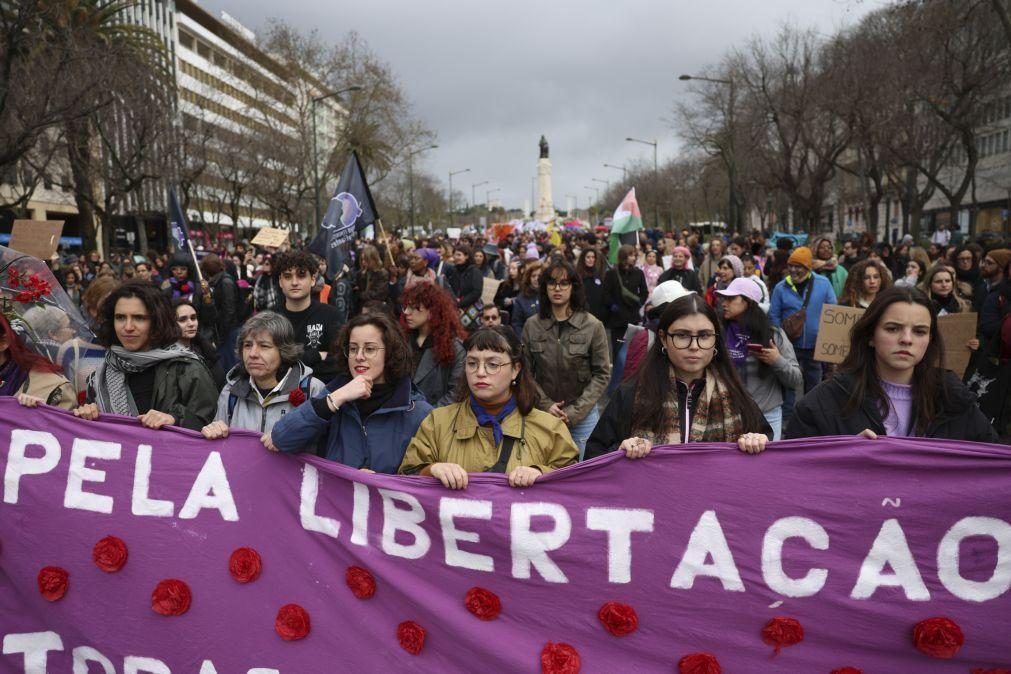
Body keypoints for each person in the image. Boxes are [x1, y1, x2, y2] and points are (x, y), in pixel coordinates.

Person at [786, 286, 996, 442]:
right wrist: (842, 455)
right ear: (870, 335)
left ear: (930, 339)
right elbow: (795, 469)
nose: (907, 339)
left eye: (919, 331)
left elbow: (991, 464)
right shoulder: (823, 402)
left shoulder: (954, 399)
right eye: (893, 328)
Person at [586, 294, 771, 460]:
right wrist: (620, 451)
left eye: (704, 335)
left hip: (714, 496)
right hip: (648, 497)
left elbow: (766, 446)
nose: (694, 345)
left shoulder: (735, 394)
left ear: (716, 339)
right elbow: (594, 455)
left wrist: (758, 442)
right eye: (682, 335)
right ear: (664, 338)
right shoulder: (632, 392)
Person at [399, 326, 578, 489]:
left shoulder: (550, 429)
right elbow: (406, 477)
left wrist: (542, 473)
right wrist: (433, 470)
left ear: (516, 369)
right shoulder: (437, 422)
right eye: (472, 363)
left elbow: (576, 486)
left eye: (493, 364)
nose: (480, 372)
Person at [264, 312, 432, 472]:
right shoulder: (334, 395)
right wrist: (337, 398)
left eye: (369, 349)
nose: (359, 356)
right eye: (353, 349)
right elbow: (281, 439)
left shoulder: (417, 411)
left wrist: (380, 483)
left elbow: (420, 479)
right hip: (335, 500)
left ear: (390, 353)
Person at [74, 281, 218, 430]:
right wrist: (88, 417)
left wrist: (175, 419)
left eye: (139, 318)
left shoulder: (188, 370)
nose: (128, 327)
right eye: (120, 317)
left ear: (157, 321)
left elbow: (211, 427)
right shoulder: (100, 376)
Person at [522, 259, 611, 455]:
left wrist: (575, 412)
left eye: (564, 283)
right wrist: (546, 404)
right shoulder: (532, 325)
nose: (557, 288)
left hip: (583, 414)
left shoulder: (592, 325)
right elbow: (525, 371)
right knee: (543, 470)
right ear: (544, 287)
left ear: (573, 287)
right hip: (542, 411)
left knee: (583, 472)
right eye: (552, 283)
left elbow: (602, 373)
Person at [201, 312, 326, 439]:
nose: (253, 354)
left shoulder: (312, 390)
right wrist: (213, 432)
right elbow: (219, 451)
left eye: (264, 346)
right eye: (248, 345)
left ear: (283, 351)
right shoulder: (230, 393)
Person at [717, 278, 802, 440]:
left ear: (748, 302)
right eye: (723, 298)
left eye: (731, 298)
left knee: (768, 465)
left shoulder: (773, 335)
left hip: (767, 415)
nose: (723, 303)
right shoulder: (719, 334)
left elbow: (796, 380)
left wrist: (777, 360)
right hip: (728, 416)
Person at [768, 246, 837, 395]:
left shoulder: (823, 284)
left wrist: (826, 339)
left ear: (807, 267)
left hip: (815, 346)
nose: (792, 270)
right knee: (788, 384)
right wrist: (780, 341)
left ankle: (811, 414)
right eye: (790, 266)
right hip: (789, 346)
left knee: (814, 385)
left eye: (797, 266)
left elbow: (833, 312)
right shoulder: (780, 288)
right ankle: (787, 417)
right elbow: (774, 316)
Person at [274, 250, 342, 383]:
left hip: (321, 395)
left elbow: (339, 364)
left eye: (301, 275)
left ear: (312, 280)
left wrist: (288, 362)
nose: (294, 282)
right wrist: (315, 355)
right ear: (280, 282)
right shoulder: (270, 319)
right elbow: (268, 364)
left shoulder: (331, 316)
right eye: (287, 276)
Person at [401, 283, 466, 407]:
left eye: (413, 307)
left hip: (434, 420)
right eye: (406, 307)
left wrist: (429, 416)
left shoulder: (454, 348)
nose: (406, 312)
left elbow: (456, 392)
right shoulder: (402, 340)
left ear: (432, 311)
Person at [2, 314, 76, 410]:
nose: (73, 331)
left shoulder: (53, 389)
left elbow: (65, 423)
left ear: (4, 342)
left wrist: (38, 414)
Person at [602, 245, 647, 359]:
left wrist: (640, 303)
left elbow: (644, 292)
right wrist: (612, 305)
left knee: (633, 350)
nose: (634, 258)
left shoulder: (638, 273)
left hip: (633, 318)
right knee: (618, 350)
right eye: (631, 255)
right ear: (623, 256)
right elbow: (606, 293)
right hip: (617, 320)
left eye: (634, 255)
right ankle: (618, 375)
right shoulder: (611, 273)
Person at [200, 253, 241, 371]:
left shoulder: (225, 282)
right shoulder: (216, 282)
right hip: (223, 329)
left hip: (228, 329)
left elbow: (229, 310)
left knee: (230, 361)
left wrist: (222, 333)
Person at [174, 299, 226, 390]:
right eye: (182, 320)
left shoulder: (206, 351)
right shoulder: (166, 357)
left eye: (193, 318)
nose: (191, 324)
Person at [447, 243, 484, 331]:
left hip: (471, 310)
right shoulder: (454, 270)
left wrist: (460, 303)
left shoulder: (475, 271)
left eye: (459, 255)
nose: (456, 257)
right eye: (455, 254)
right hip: (455, 308)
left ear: (466, 256)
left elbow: (476, 292)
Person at [576, 247, 608, 323]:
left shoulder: (598, 275)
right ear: (583, 259)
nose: (591, 259)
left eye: (593, 257)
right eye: (588, 257)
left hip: (597, 315)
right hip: (582, 315)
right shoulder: (577, 275)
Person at [511, 261, 542, 336]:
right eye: (533, 276)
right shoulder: (521, 299)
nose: (536, 279)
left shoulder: (551, 295)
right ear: (529, 278)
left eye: (539, 276)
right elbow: (517, 325)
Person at [354, 244, 390, 309]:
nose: (363, 262)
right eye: (362, 259)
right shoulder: (361, 273)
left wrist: (360, 294)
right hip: (363, 307)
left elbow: (378, 294)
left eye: (366, 260)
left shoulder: (382, 274)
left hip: (376, 308)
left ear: (374, 259)